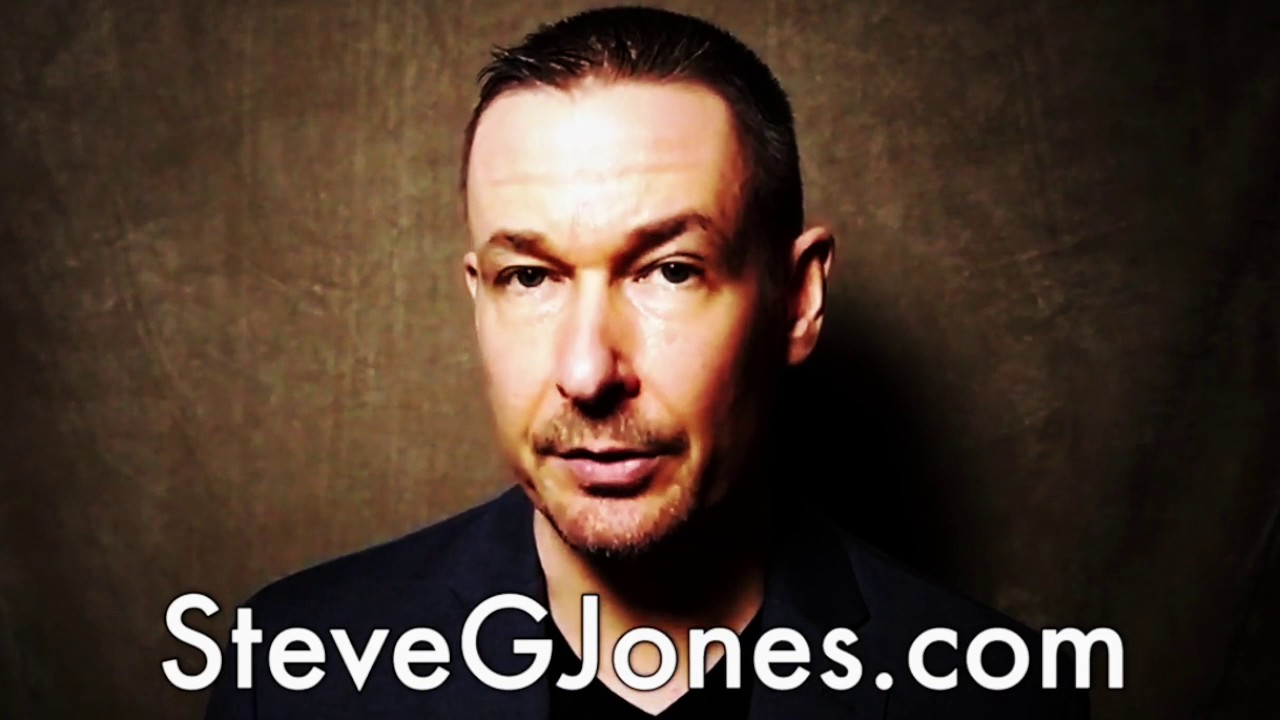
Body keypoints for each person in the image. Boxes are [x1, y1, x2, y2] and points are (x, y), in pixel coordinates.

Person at [203, 6, 1092, 718]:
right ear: (478, 297)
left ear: (797, 299)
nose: (589, 372)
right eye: (529, 276)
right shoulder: (291, 677)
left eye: (669, 271)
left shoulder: (1001, 700)